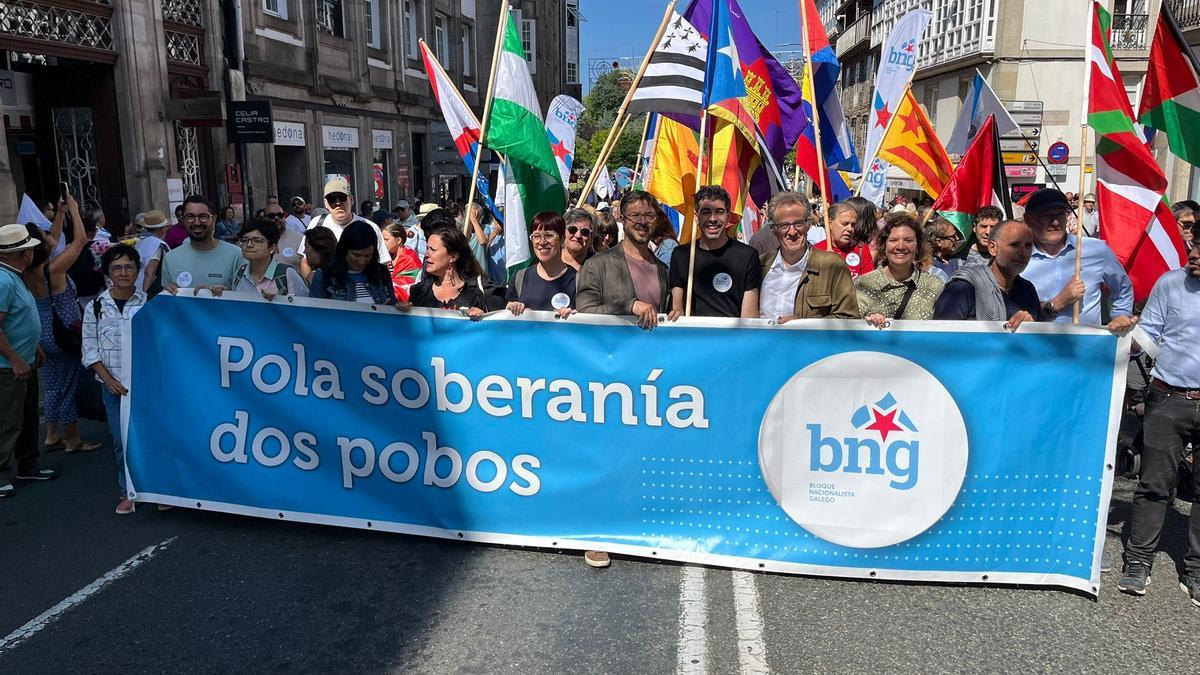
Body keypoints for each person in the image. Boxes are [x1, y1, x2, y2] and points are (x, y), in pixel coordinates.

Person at [1117, 243, 1200, 602]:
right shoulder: (1169, 283)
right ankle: (1138, 561)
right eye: (1194, 243)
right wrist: (1125, 335)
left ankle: (1195, 571)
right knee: (1154, 485)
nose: (1193, 252)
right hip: (1168, 397)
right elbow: (1147, 335)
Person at [24, 196, 101, 453]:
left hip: (43, 331)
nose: (52, 237)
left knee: (53, 382)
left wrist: (59, 213)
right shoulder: (54, 270)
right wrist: (76, 212)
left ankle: (51, 433)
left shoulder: (28, 271)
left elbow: (53, 237)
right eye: (46, 238)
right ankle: (73, 439)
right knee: (70, 384)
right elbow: (80, 241)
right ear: (42, 248)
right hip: (65, 332)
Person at [81, 244, 149, 514]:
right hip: (113, 388)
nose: (123, 273)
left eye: (129, 267)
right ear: (108, 272)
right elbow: (90, 349)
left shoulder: (148, 303)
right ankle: (127, 490)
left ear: (137, 270)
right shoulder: (96, 306)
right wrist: (108, 380)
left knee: (150, 438)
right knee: (121, 441)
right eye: (117, 268)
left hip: (145, 387)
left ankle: (157, 488)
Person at [1021, 188, 1134, 327]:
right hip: (1035, 345)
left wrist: (1120, 315)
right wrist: (1057, 303)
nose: (1055, 222)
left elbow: (1123, 287)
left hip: (1087, 345)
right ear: (1028, 220)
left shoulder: (1097, 250)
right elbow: (1010, 309)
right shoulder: (1017, 257)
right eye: (1046, 215)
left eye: (1061, 215)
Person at [0, 223, 54, 497]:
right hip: (9, 367)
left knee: (27, 414)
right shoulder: (3, 280)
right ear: (23, 254)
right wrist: (15, 359)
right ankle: (1, 473)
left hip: (25, 359)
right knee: (9, 419)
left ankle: (27, 465)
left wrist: (34, 350)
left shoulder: (13, 276)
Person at [757, 192, 858, 322]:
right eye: (784, 225)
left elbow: (849, 319)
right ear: (774, 229)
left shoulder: (833, 266)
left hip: (808, 342)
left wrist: (803, 325)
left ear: (808, 225)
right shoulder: (760, 265)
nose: (792, 232)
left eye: (798, 223)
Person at [577, 190, 670, 330]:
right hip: (611, 349)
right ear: (622, 219)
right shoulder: (596, 265)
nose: (642, 221)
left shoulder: (663, 269)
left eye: (649, 216)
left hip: (654, 349)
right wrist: (629, 306)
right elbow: (584, 312)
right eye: (635, 215)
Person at [668, 186, 761, 319]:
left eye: (719, 212)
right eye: (705, 212)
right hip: (693, 337)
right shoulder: (681, 255)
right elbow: (677, 309)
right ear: (696, 216)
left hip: (732, 337)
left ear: (728, 216)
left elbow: (749, 318)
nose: (712, 218)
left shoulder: (748, 256)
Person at [933, 219, 1044, 330]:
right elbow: (943, 339)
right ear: (992, 248)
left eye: (1028, 246)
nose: (1023, 253)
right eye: (1014, 245)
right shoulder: (963, 288)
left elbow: (1039, 342)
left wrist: (1030, 328)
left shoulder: (1028, 290)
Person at [855, 213, 945, 327]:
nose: (901, 246)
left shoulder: (934, 286)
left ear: (918, 246)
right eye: (893, 240)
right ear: (884, 245)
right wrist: (865, 323)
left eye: (908, 240)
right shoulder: (863, 284)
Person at [298, 179, 389, 279]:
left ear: (351, 200)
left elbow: (382, 262)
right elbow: (304, 258)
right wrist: (312, 281)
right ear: (326, 203)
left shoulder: (370, 227)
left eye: (342, 198)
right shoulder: (317, 223)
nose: (338, 203)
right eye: (332, 199)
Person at [161, 195, 245, 293]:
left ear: (213, 220)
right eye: (190, 217)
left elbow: (245, 297)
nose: (197, 223)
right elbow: (167, 301)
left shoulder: (236, 255)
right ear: (183, 221)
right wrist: (167, 292)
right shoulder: (170, 258)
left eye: (203, 217)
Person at [506, 212, 577, 318]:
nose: (542, 242)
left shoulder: (578, 280)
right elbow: (506, 325)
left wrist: (576, 316)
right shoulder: (519, 278)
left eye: (549, 235)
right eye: (536, 236)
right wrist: (511, 309)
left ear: (562, 240)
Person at [309, 221, 397, 305]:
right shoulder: (324, 276)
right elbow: (315, 312)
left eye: (367, 256)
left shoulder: (381, 273)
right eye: (356, 255)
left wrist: (400, 308)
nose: (362, 261)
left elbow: (392, 306)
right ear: (344, 251)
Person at [407, 226, 487, 316]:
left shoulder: (482, 291)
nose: (426, 254)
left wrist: (483, 317)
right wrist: (402, 312)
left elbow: (501, 322)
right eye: (427, 249)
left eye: (433, 250)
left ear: (453, 257)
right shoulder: (419, 292)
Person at [227, 219, 307, 297]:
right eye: (244, 240)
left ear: (272, 248)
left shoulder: (286, 274)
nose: (249, 245)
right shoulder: (240, 274)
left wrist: (280, 299)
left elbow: (305, 305)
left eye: (257, 241)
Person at [65, 205, 111, 307]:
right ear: (94, 231)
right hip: (96, 288)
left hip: (79, 290)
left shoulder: (69, 248)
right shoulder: (98, 247)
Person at [815, 201, 874, 278]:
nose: (850, 229)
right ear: (830, 224)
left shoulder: (861, 249)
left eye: (853, 225)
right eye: (845, 224)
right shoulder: (816, 250)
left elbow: (869, 284)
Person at [131, 209, 171, 295]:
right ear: (161, 229)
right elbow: (150, 272)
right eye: (165, 227)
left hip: (136, 286)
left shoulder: (139, 242)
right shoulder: (157, 244)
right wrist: (145, 295)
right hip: (150, 290)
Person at [380, 220, 422, 302]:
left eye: (386, 239)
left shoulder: (409, 258)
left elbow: (408, 286)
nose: (383, 243)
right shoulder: (386, 256)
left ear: (398, 240)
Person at [263, 202, 304, 269]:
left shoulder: (300, 239)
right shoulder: (258, 240)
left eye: (280, 215)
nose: (276, 218)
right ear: (264, 218)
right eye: (271, 216)